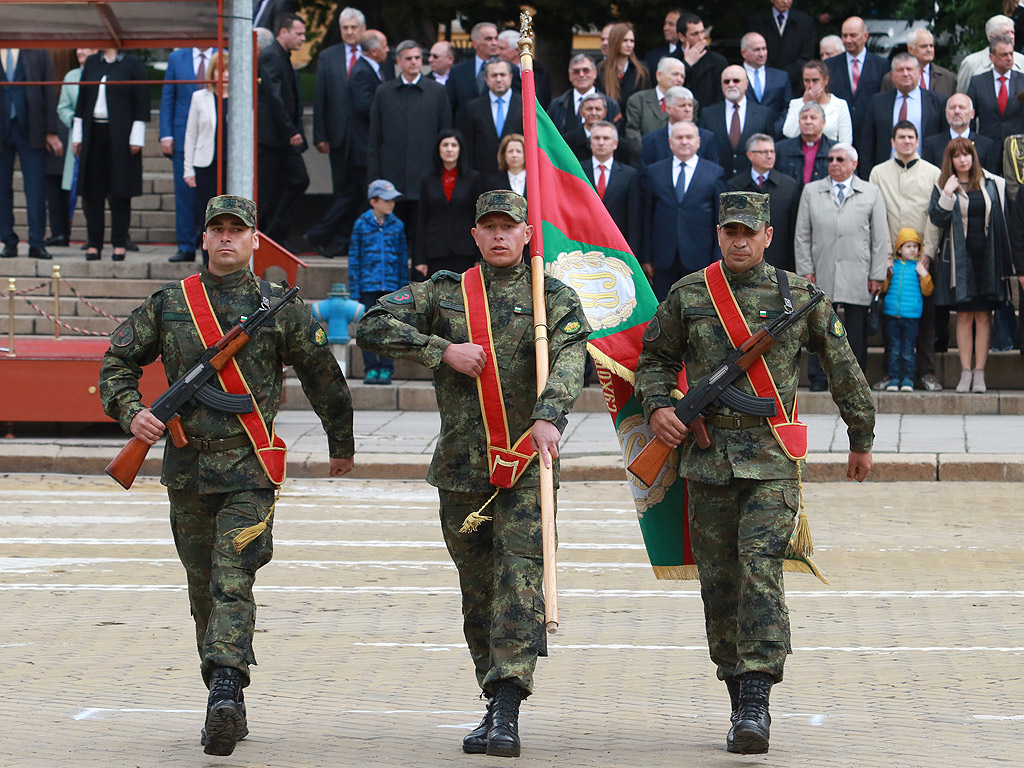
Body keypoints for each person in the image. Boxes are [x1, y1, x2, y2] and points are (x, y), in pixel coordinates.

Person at [98, 194, 355, 757]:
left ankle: (225, 692)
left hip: (251, 467)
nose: (226, 239)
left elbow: (323, 375)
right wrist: (131, 412)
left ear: (255, 241)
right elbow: (115, 363)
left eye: (237, 231)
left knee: (232, 578)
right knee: (202, 590)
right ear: (205, 237)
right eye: (217, 229)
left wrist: (342, 443)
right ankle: (223, 692)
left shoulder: (277, 305)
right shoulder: (171, 303)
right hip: (187, 471)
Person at [634, 190, 874, 756]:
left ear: (768, 235)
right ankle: (736, 686)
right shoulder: (690, 294)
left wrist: (860, 438)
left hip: (770, 464)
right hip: (708, 462)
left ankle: (757, 697)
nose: (739, 242)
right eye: (729, 232)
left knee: (760, 571)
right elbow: (654, 361)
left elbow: (844, 370)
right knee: (720, 584)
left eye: (749, 232)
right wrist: (658, 408)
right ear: (717, 235)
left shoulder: (799, 297)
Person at [355, 190, 591, 759]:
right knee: (478, 590)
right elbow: (373, 323)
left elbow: (571, 356)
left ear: (528, 235)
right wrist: (442, 350)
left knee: (518, 584)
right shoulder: (445, 293)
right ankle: (492, 695)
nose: (499, 236)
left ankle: (508, 704)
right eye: (488, 227)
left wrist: (549, 415)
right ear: (475, 236)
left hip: (527, 463)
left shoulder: (550, 296)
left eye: (509, 226)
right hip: (464, 468)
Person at [795, 143, 890, 387]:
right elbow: (803, 234)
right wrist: (805, 269)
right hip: (822, 267)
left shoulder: (871, 192)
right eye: (830, 159)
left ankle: (854, 378)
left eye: (840, 159)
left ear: (854, 164)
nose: (834, 164)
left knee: (856, 329)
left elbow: (880, 237)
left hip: (858, 270)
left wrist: (877, 274)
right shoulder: (811, 191)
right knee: (819, 326)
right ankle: (818, 376)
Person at [928, 138, 1012, 393]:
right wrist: (947, 193)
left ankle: (980, 373)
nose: (963, 159)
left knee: (984, 317)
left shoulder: (991, 182)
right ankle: (965, 372)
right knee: (964, 316)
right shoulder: (943, 184)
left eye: (967, 155)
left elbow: (1002, 220)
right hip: (959, 262)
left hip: (987, 259)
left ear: (974, 157)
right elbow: (937, 218)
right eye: (957, 156)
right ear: (950, 160)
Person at [867, 121, 943, 392]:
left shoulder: (933, 172)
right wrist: (884, 253)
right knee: (892, 317)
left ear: (917, 140)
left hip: (920, 258)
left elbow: (935, 216)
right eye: (901, 137)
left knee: (925, 317)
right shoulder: (878, 173)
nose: (907, 141)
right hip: (890, 258)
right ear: (893, 141)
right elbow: (876, 215)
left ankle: (925, 372)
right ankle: (890, 373)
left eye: (911, 137)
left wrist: (929, 253)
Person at [368, 40, 452, 249]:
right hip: (391, 177)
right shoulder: (383, 92)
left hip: (426, 175)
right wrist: (373, 178)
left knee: (422, 236)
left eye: (417, 58)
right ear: (398, 61)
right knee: (390, 237)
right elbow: (374, 138)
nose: (414, 62)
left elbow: (446, 136)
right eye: (409, 58)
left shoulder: (437, 92)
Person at [72, 49, 149, 261]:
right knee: (93, 192)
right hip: (94, 133)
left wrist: (137, 136)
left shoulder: (132, 61)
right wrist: (77, 135)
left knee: (120, 192)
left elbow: (141, 99)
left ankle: (119, 243)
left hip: (122, 136)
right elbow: (82, 99)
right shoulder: (92, 62)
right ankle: (94, 244)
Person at [641, 119, 727, 300]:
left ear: (698, 142)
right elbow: (646, 217)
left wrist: (717, 256)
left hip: (700, 257)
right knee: (664, 309)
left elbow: (719, 219)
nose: (684, 141)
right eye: (679, 137)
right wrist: (646, 257)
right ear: (670, 142)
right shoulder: (654, 172)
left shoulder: (714, 173)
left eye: (689, 137)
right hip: (663, 257)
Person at [306, 7, 367, 256]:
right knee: (341, 190)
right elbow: (320, 98)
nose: (350, 32)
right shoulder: (328, 56)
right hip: (338, 137)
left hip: (365, 137)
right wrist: (320, 135)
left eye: (354, 27)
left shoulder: (373, 53)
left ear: (362, 29)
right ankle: (340, 240)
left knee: (363, 191)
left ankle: (353, 241)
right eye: (345, 28)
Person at [0, 47, 61, 261]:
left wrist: (51, 130)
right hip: (2, 131)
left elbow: (49, 92)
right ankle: (7, 240)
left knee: (35, 190)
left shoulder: (38, 51)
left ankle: (37, 243)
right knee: (1, 190)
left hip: (32, 129)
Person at [256, 13, 309, 244]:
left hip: (283, 137)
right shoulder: (270, 55)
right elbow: (275, 97)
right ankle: (262, 233)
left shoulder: (283, 56)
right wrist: (291, 131)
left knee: (299, 180)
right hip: (272, 137)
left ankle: (273, 233)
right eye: (299, 33)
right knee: (266, 190)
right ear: (283, 32)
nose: (303, 38)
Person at [349, 180, 408, 384]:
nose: (391, 204)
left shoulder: (398, 225)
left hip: (391, 286)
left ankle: (386, 368)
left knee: (388, 328)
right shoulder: (361, 224)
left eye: (393, 200)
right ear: (374, 201)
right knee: (367, 327)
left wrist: (403, 288)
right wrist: (355, 289)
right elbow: (354, 258)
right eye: (387, 200)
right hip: (367, 285)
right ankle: (370, 368)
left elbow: (402, 258)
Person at [161, 46, 215, 262]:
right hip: (184, 136)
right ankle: (185, 246)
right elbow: (168, 96)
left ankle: (211, 248)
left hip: (213, 138)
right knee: (185, 195)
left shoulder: (224, 53)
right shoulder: (176, 57)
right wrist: (166, 134)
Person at [859, 52, 948, 176]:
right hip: (886, 175)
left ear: (919, 73)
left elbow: (943, 141)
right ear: (892, 75)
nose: (905, 74)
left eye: (909, 69)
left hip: (925, 174)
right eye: (900, 70)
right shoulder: (878, 102)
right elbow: (867, 144)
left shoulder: (937, 102)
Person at [183, 51, 230, 265]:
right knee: (208, 217)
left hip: (232, 165)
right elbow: (190, 134)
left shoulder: (243, 97)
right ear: (213, 72)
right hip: (206, 164)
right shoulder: (199, 97)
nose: (226, 75)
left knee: (231, 215)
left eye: (230, 70)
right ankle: (208, 263)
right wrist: (188, 168)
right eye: (222, 70)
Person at [726, 134, 799, 271]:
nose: (769, 156)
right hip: (744, 260)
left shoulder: (789, 186)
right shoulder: (735, 186)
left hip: (779, 261)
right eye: (764, 152)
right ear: (750, 155)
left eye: (772, 151)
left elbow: (794, 229)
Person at [415, 129, 481, 277]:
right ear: (438, 148)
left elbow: (478, 217)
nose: (449, 149)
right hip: (435, 250)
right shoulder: (427, 179)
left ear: (460, 149)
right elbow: (421, 219)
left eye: (454, 145)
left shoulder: (473, 178)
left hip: (465, 250)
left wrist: (479, 256)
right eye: (445, 145)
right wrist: (420, 258)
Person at [881, 228, 934, 392]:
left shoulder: (918, 267)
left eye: (915, 246)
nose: (913, 250)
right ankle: (894, 378)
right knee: (894, 349)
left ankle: (908, 379)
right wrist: (886, 273)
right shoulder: (893, 267)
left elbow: (928, 290)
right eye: (908, 246)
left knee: (908, 350)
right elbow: (884, 288)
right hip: (892, 314)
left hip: (911, 315)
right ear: (898, 249)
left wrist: (924, 275)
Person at [699, 65, 774, 179]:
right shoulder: (707, 114)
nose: (731, 84)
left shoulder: (764, 114)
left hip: (752, 183)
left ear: (746, 84)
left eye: (736, 80)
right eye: (726, 81)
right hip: (718, 181)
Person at [825, 16, 889, 148]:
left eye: (853, 35)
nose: (848, 40)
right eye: (844, 35)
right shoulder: (829, 65)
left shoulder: (881, 65)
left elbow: (884, 99)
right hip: (839, 134)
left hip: (871, 133)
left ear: (865, 36)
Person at [966, 35, 1024, 168]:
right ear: (992, 57)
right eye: (1004, 55)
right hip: (987, 149)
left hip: (1018, 150)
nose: (1009, 58)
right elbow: (970, 117)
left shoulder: (1022, 80)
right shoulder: (977, 82)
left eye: (1011, 53)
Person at [583, 120, 641, 254]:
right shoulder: (578, 171)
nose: (601, 142)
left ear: (615, 144)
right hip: (585, 245)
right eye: (597, 138)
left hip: (619, 246)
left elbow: (634, 218)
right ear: (590, 142)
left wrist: (633, 252)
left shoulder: (630, 175)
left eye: (606, 138)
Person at [459, 58, 524, 178]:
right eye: (494, 75)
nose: (499, 79)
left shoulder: (524, 105)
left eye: (502, 75)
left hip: (516, 175)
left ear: (510, 77)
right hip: (482, 176)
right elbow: (468, 145)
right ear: (486, 79)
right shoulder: (473, 107)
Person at [623, 56, 686, 163]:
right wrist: (650, 153)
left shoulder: (689, 103)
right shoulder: (638, 100)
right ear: (659, 75)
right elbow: (632, 133)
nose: (679, 79)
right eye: (675, 74)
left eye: (682, 76)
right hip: (643, 162)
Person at [639, 86, 719, 168]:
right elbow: (645, 175)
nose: (688, 109)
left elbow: (713, 172)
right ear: (668, 109)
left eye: (690, 105)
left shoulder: (707, 138)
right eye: (682, 105)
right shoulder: (651, 141)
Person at [746, 0, 817, 92]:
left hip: (795, 84)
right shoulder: (757, 20)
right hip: (763, 81)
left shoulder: (805, 22)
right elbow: (752, 52)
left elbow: (806, 56)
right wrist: (771, 75)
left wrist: (784, 76)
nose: (785, 1)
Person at [922, 93, 999, 174]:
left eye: (962, 107)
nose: (957, 111)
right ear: (946, 113)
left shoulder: (986, 145)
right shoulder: (932, 144)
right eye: (952, 108)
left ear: (972, 114)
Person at [780, 60, 853, 145]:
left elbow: (846, 140)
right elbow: (789, 133)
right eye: (806, 81)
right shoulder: (796, 103)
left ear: (826, 80)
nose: (810, 85)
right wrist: (805, 103)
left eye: (815, 80)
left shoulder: (840, 105)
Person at [547, 54, 621, 135]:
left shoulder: (611, 105)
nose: (581, 75)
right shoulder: (556, 106)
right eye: (576, 71)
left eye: (586, 70)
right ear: (570, 76)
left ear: (595, 73)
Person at [956, 14, 1024, 93]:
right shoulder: (971, 63)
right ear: (991, 37)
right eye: (1006, 33)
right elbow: (962, 97)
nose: (1011, 36)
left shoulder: (1022, 61)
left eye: (1012, 32)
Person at [672, 13, 727, 110]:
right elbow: (668, 91)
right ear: (681, 37)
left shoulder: (718, 61)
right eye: (695, 34)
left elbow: (721, 96)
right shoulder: (670, 60)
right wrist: (686, 65)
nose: (701, 38)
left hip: (708, 119)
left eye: (702, 32)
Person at [880, 28, 956, 98]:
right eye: (924, 46)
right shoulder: (892, 79)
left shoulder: (947, 78)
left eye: (931, 46)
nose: (929, 50)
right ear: (910, 49)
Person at [774, 101, 834, 189]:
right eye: (804, 118)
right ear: (799, 122)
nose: (808, 121)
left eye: (813, 118)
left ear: (823, 123)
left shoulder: (834, 150)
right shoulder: (781, 149)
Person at [447, 22, 500, 119]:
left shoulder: (507, 69)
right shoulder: (458, 71)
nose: (494, 43)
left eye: (496, 38)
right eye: (488, 39)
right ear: (475, 44)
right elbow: (450, 107)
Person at [739, 32, 793, 129]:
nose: (762, 54)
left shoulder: (781, 77)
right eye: (757, 50)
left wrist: (774, 130)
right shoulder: (734, 77)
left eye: (764, 49)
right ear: (744, 53)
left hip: (776, 137)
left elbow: (788, 108)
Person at [597, 23, 650, 112]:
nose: (629, 45)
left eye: (632, 41)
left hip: (633, 122)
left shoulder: (642, 70)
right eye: (625, 40)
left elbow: (646, 102)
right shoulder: (600, 69)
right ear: (615, 41)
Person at [644, 8, 684, 75]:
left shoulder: (696, 56)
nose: (665, 28)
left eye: (671, 24)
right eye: (665, 23)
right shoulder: (653, 56)